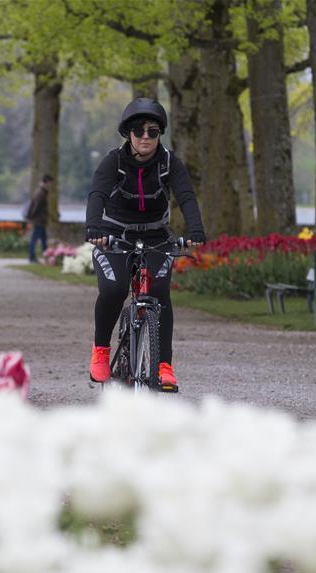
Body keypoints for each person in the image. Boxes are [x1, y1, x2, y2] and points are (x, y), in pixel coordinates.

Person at [85, 98, 206, 387]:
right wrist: (93, 228)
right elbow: (97, 195)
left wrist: (196, 230)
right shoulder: (112, 161)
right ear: (128, 133)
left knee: (160, 291)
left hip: (155, 236)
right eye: (139, 131)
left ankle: (164, 364)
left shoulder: (169, 163)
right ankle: (101, 351)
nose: (145, 137)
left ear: (160, 134)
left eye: (153, 131)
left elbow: (186, 196)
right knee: (114, 289)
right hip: (115, 236)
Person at [27, 175, 52, 263]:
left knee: (43, 240)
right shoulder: (40, 193)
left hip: (41, 220)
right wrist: (33, 217)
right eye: (49, 183)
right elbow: (36, 207)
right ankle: (32, 257)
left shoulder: (41, 191)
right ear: (46, 182)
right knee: (35, 239)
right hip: (39, 221)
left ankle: (47, 257)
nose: (50, 185)